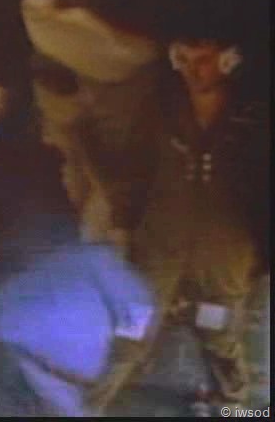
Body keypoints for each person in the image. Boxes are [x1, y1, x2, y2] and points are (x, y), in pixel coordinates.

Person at [86, 36, 266, 414]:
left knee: (219, 334)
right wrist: (125, 223)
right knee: (130, 337)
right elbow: (133, 170)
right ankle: (84, 409)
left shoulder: (252, 119)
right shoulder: (160, 111)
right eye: (185, 60)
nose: (194, 70)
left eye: (204, 59)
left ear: (226, 61)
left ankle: (233, 405)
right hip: (159, 251)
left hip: (223, 260)